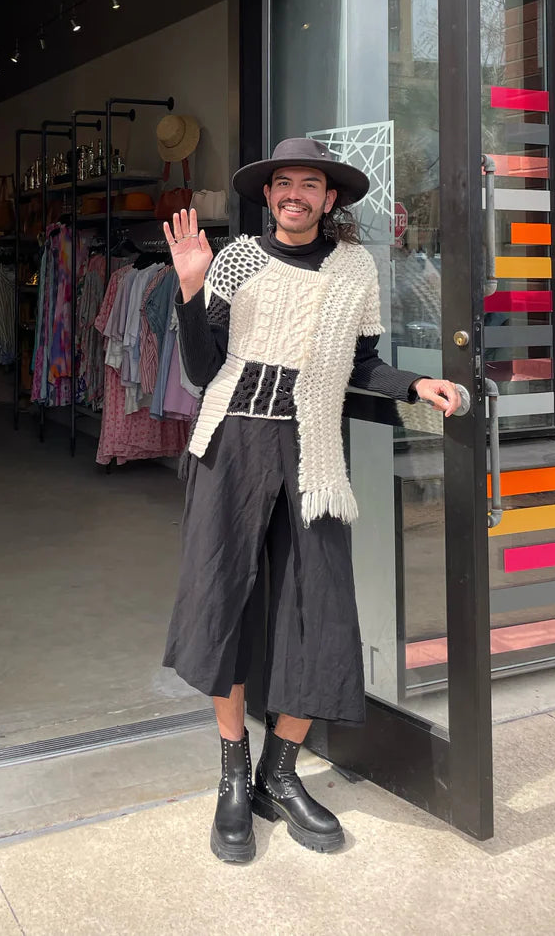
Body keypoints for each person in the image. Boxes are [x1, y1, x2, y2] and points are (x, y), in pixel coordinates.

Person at [161, 137, 459, 864]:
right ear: (268, 196)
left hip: (311, 449)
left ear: (330, 199)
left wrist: (414, 386)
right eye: (282, 183)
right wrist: (192, 288)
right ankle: (234, 774)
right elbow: (201, 370)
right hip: (231, 443)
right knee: (222, 599)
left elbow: (362, 361)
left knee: (318, 608)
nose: (294, 193)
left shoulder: (356, 268)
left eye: (310, 184)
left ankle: (280, 773)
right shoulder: (234, 259)